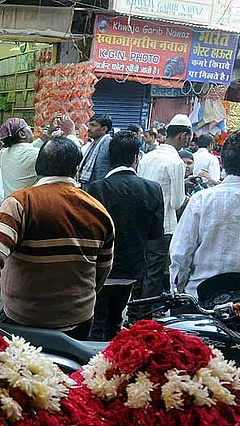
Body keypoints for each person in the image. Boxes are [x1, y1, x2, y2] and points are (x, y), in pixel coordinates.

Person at [0, 137, 115, 341]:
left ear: (39, 167)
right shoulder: (98, 211)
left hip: (23, 320)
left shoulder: (20, 203)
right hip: (78, 321)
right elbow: (103, 269)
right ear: (76, 169)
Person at [170, 129, 240, 298]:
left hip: (199, 298)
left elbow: (180, 255)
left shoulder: (201, 200)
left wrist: (180, 292)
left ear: (222, 162)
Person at [86, 131, 164, 341]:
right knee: (115, 320)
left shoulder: (97, 188)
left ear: (109, 157)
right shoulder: (153, 189)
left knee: (96, 321)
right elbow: (155, 234)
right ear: (136, 157)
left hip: (102, 268)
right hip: (132, 269)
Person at [133, 114, 191, 305]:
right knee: (154, 274)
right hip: (163, 227)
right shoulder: (176, 162)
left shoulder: (147, 157)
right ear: (183, 136)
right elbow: (176, 202)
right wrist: (188, 198)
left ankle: (133, 311)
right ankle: (144, 313)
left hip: (142, 224)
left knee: (140, 270)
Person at [0, 117, 42, 197]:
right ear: (22, 134)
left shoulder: (4, 154)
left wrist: (47, 134)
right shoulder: (36, 154)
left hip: (9, 202)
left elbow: (26, 147)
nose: (30, 127)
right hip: (28, 203)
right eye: (27, 126)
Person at [78, 113, 113, 188]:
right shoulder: (93, 144)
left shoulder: (108, 143)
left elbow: (102, 170)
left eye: (93, 125)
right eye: (89, 125)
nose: (89, 129)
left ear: (104, 129)